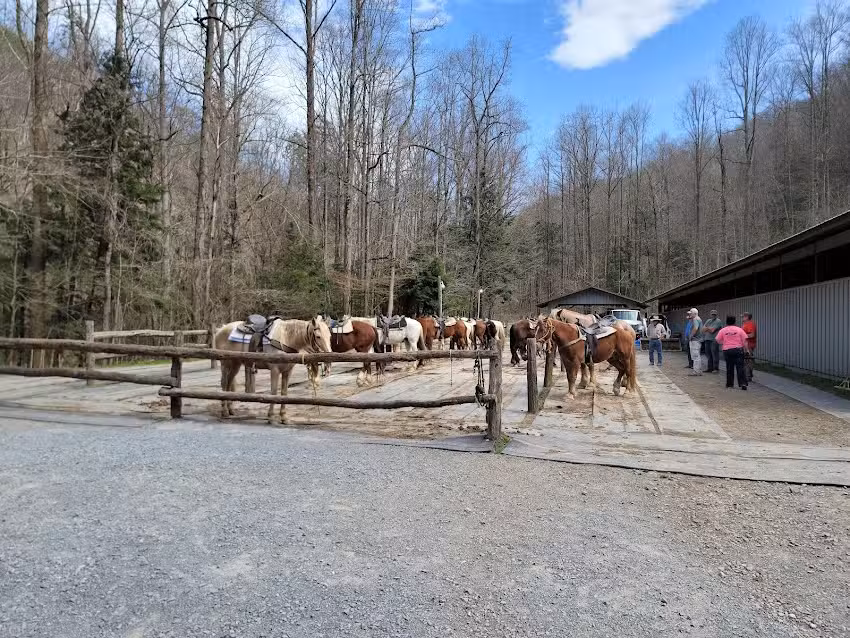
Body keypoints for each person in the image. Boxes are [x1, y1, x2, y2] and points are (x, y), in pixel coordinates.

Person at [716, 315, 749, 390]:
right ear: (734, 321)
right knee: (740, 367)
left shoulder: (723, 330)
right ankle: (743, 383)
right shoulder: (739, 330)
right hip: (738, 349)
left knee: (729, 367)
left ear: (727, 321)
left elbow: (718, 340)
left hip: (727, 350)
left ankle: (730, 384)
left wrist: (724, 343)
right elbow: (745, 341)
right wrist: (746, 350)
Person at [686, 308, 703, 376]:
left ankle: (696, 371)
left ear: (694, 313)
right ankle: (698, 370)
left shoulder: (696, 319)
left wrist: (690, 336)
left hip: (695, 340)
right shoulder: (697, 319)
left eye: (691, 313)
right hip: (697, 340)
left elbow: (695, 328)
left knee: (695, 356)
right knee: (696, 356)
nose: (689, 314)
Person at [741, 312, 757, 382]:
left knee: (748, 361)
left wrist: (742, 336)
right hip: (745, 345)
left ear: (747, 317)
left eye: (743, 316)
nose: (742, 318)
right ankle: (747, 375)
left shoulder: (750, 324)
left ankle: (748, 376)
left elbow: (752, 335)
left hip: (749, 345)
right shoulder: (745, 324)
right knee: (745, 361)